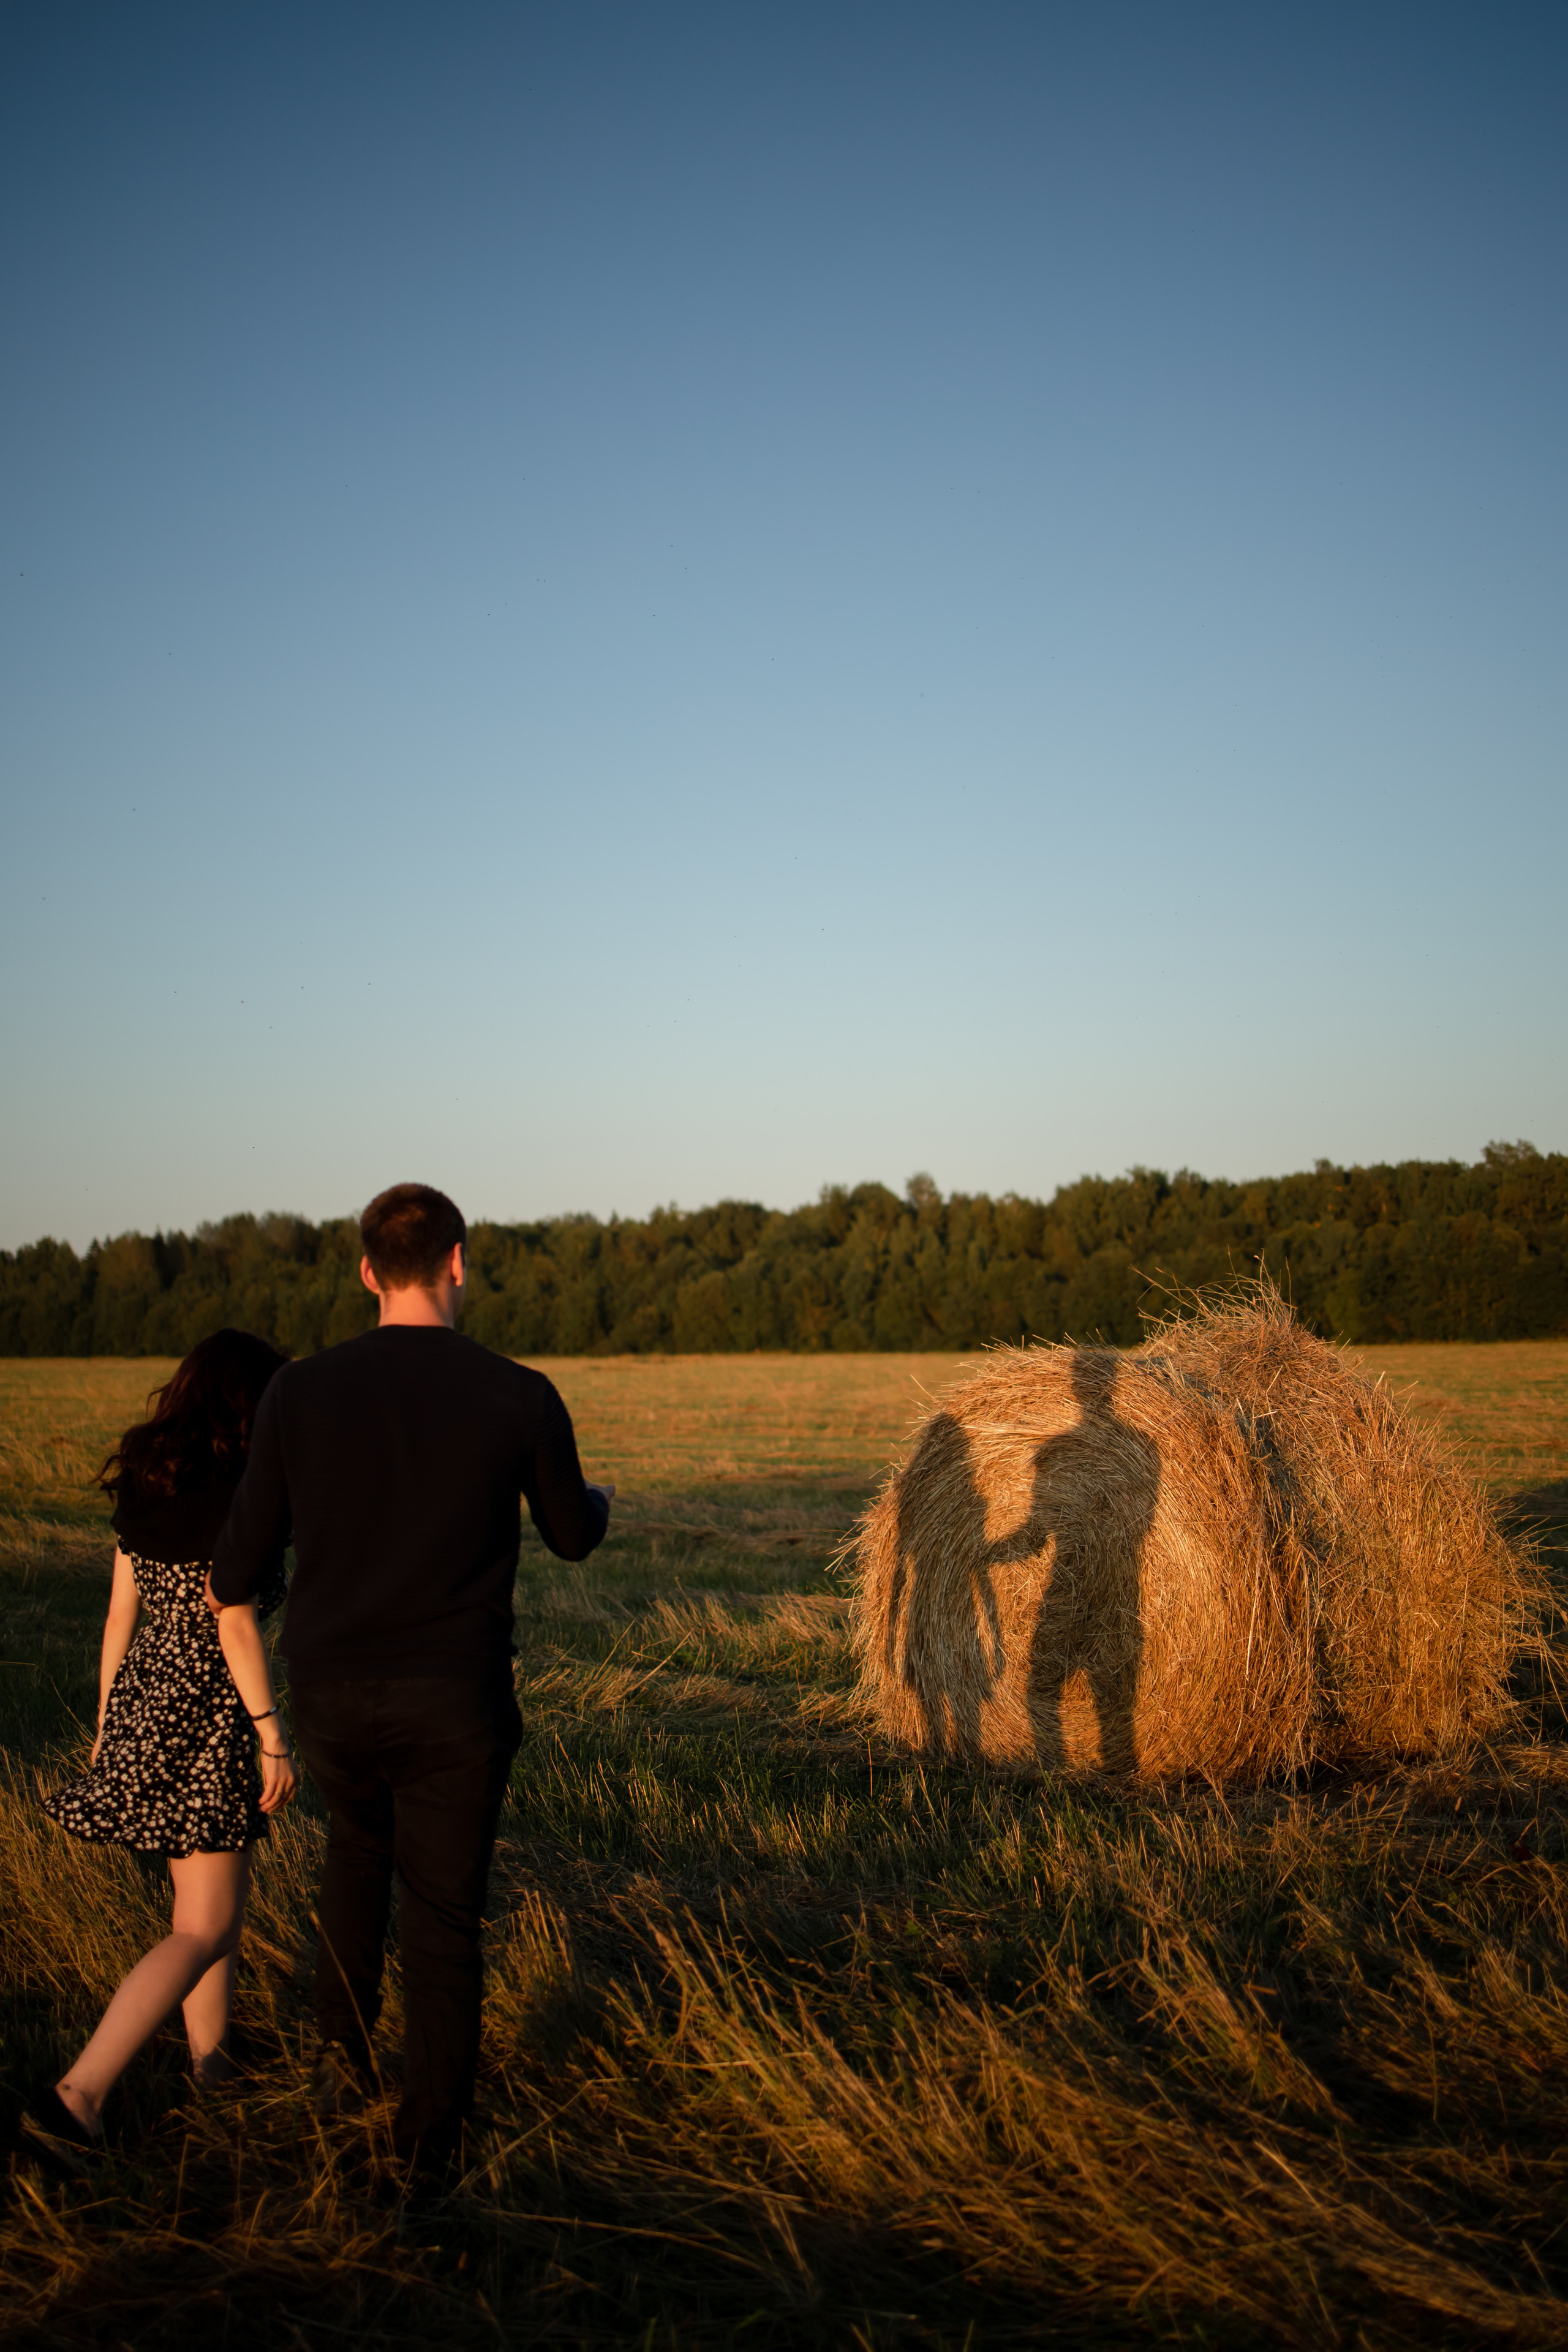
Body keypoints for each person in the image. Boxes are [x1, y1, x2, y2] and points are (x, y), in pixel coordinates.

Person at [207, 1181, 613, 2188]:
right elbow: (571, 1537)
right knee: (441, 1918)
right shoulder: (520, 1391)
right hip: (455, 1697)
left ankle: (338, 2063)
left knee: (355, 1856)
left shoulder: (297, 1392)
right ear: (459, 1263)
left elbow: (233, 1570)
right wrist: (599, 1499)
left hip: (334, 1694)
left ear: (364, 1273)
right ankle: (428, 2150)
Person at [29, 1329, 297, 2154]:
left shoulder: (151, 1471)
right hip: (212, 1712)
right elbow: (236, 1622)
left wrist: (113, 1719)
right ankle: (77, 2097)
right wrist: (272, 1737)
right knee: (202, 1927)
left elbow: (120, 1613)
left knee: (213, 1909)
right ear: (253, 1404)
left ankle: (213, 2074)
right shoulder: (239, 1491)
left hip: (148, 1696)